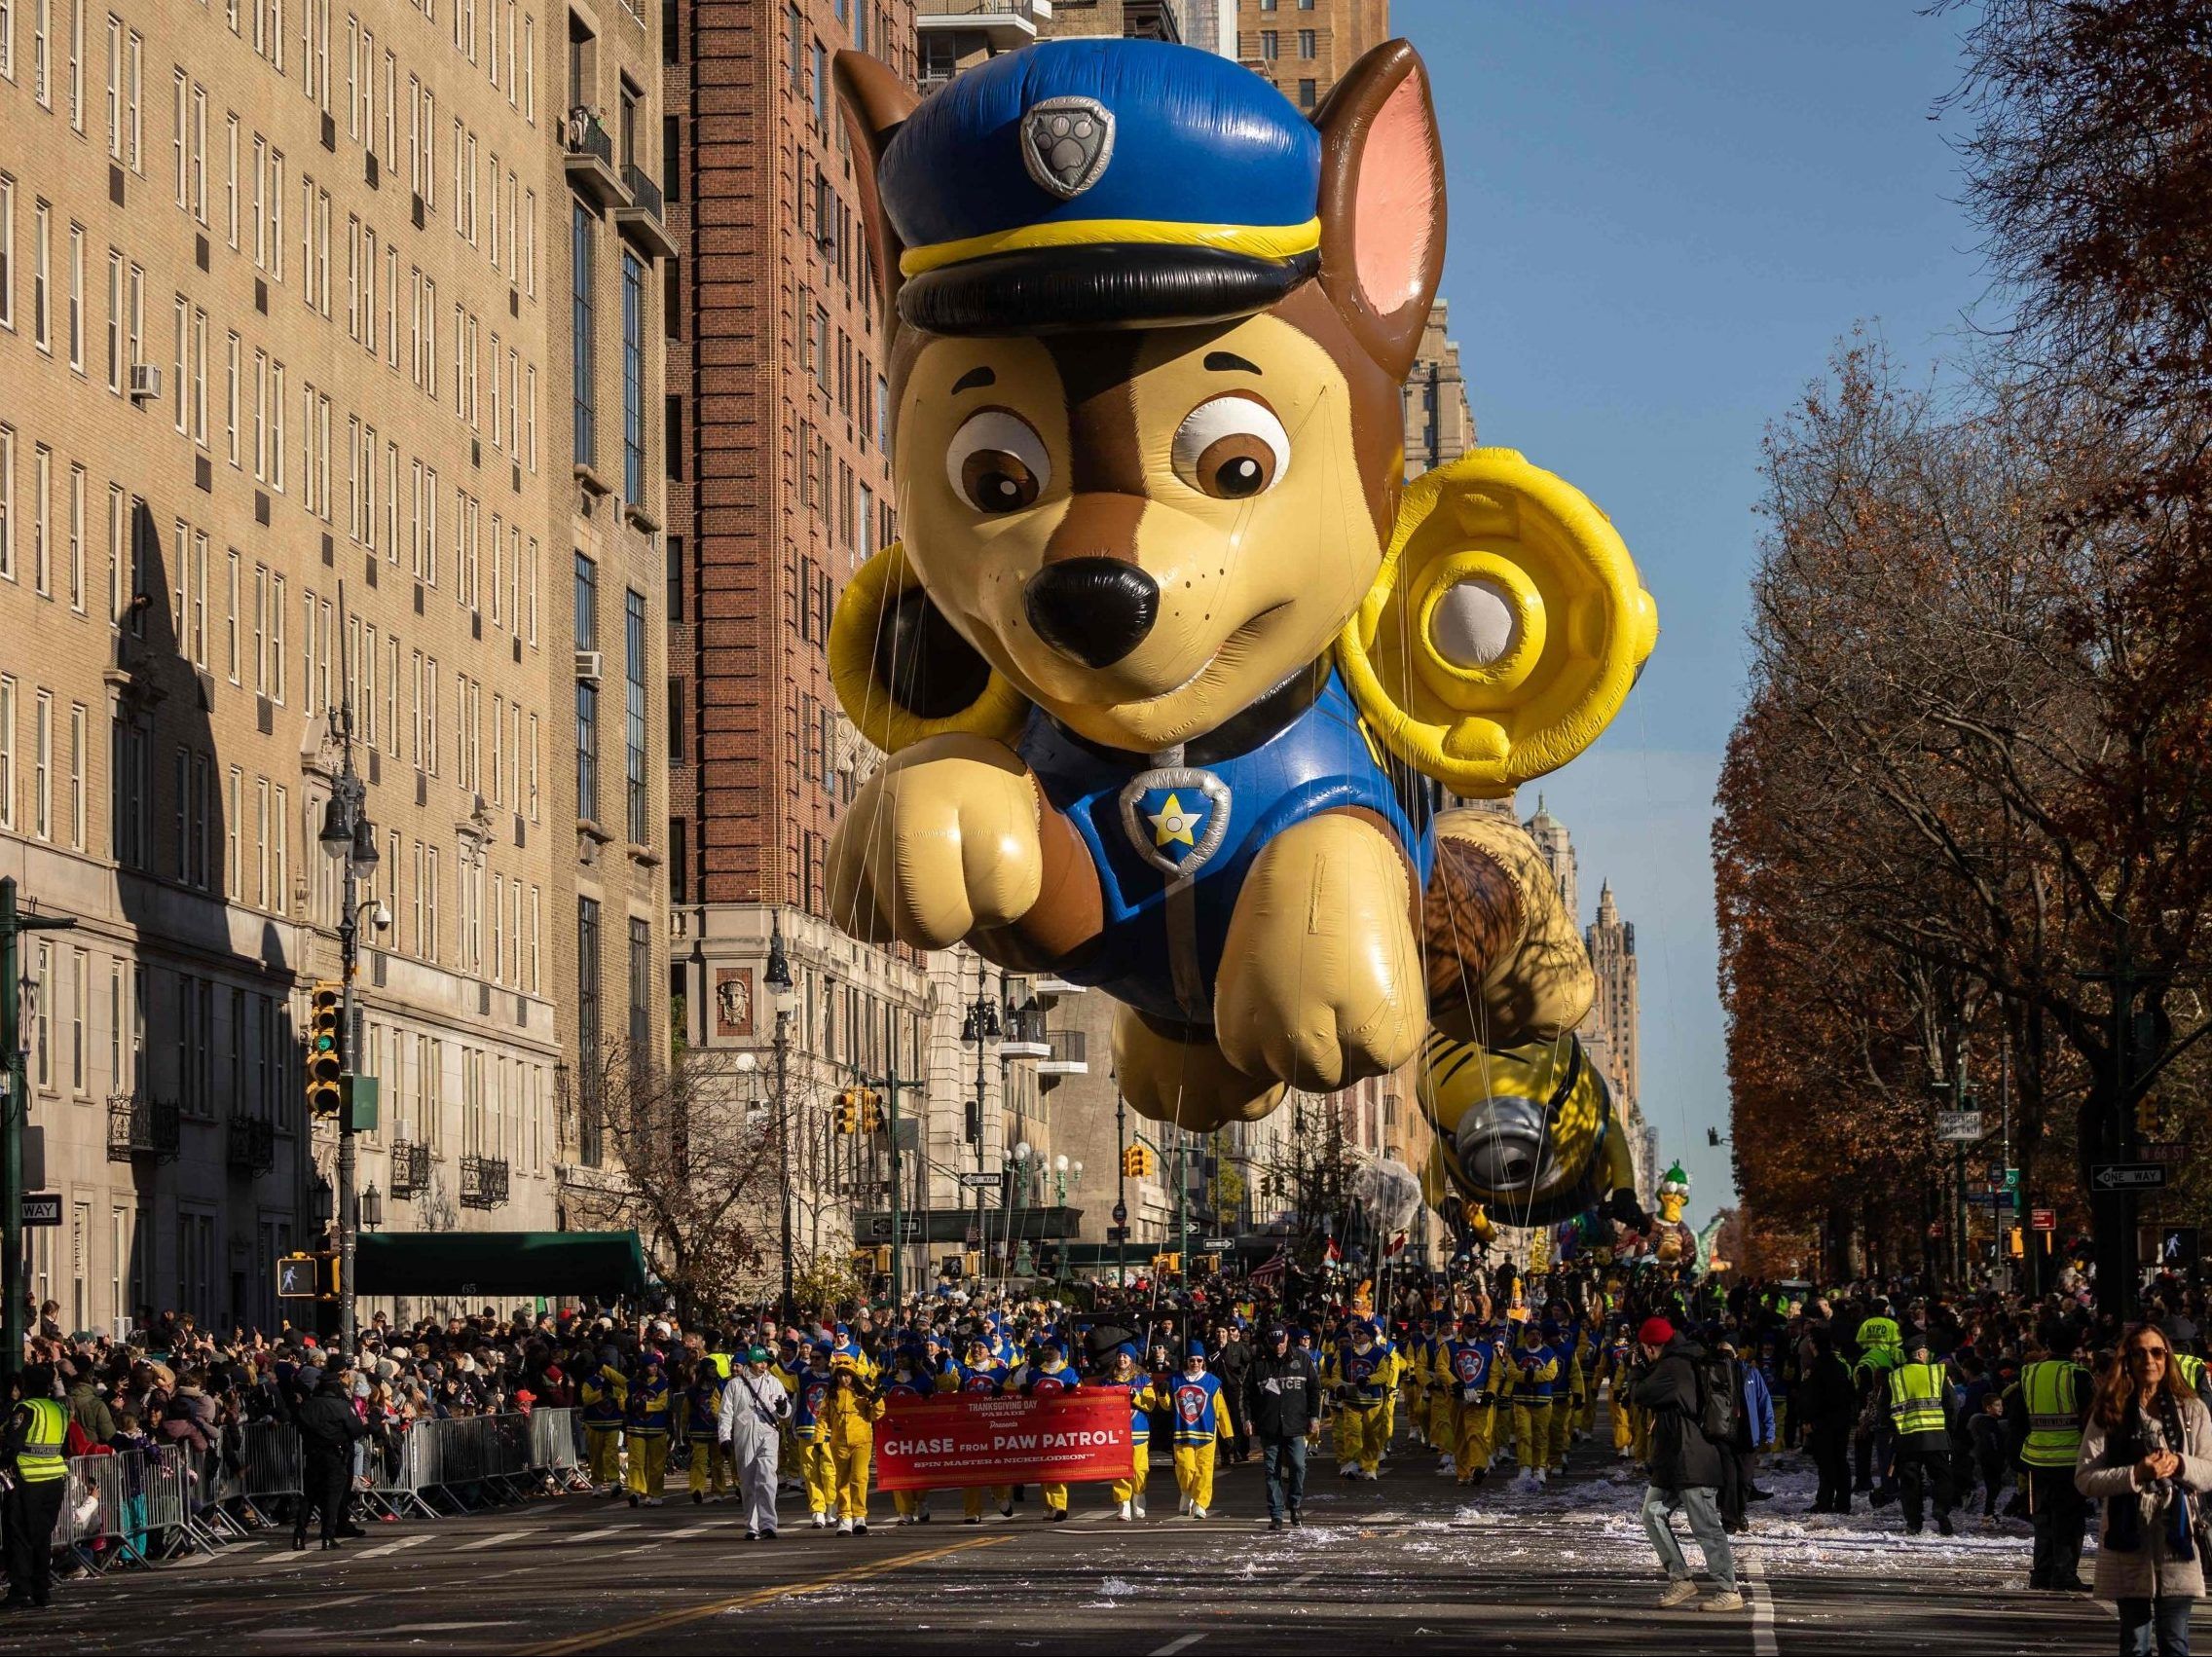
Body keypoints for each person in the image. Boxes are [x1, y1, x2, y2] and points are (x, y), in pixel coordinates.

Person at [2077, 1323, 2212, 1657]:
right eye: (2139, 1353)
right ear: (2127, 1360)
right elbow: (2086, 1479)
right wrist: (2136, 1473)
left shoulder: (2192, 1410)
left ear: (2168, 1357)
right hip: (2127, 1539)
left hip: (2176, 1538)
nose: (2149, 1360)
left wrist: (2179, 1464)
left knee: (2175, 1642)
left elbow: (2209, 1472)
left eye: (2157, 1352)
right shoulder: (2108, 1412)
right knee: (2134, 1643)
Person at [1629, 1316, 1744, 1615]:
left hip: (1693, 1458)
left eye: (1644, 1348)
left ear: (1651, 1346)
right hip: (1673, 1458)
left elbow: (1640, 1394)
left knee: (1705, 1526)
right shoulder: (1681, 1359)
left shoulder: (1674, 1367)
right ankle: (1681, 1579)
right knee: (1652, 1515)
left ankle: (1729, 1589)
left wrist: (1636, 1369)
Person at [2015, 1327, 2094, 1592]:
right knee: (2070, 1520)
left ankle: (2041, 1572)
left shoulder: (2029, 1373)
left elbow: (2017, 1418)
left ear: (2047, 1344)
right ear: (2075, 1347)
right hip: (2070, 1458)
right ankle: (2064, 1574)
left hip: (2036, 1457)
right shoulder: (2078, 1375)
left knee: (2043, 1517)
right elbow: (2091, 1418)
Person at [0, 1365, 69, 1607]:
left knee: (19, 1536)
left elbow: (12, 1443)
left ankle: (21, 1590)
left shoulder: (26, 1408)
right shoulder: (60, 1409)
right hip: (54, 1479)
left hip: (28, 1479)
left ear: (26, 1385)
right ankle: (42, 1588)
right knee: (42, 1536)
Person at [1245, 1323, 1321, 1528]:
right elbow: (1248, 1395)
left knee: (1298, 1465)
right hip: (1269, 1425)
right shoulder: (1258, 1363)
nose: (1278, 1347)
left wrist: (1314, 1417)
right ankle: (1276, 1514)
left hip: (1296, 1424)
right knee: (1272, 1470)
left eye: (1281, 1342)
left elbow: (1314, 1390)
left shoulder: (1302, 1359)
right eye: (1273, 1343)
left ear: (1287, 1339)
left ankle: (1294, 1504)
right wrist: (1248, 1419)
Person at [291, 1361, 368, 1552]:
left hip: (313, 1454)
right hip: (335, 1454)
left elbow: (299, 1424)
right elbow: (356, 1430)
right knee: (333, 1498)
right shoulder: (341, 1406)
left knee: (309, 1496)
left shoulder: (308, 1405)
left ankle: (299, 1535)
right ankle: (327, 1536)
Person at [720, 1345, 793, 1541]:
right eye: (760, 1361)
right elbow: (725, 1413)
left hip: (768, 1434)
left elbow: (785, 1412)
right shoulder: (735, 1385)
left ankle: (769, 1525)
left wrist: (784, 1408)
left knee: (767, 1479)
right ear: (751, 1362)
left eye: (767, 1362)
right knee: (748, 1481)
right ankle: (752, 1526)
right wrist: (724, 1437)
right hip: (744, 1435)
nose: (764, 1365)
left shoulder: (774, 1382)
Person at [1888, 1335, 1957, 1536]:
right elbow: (1952, 1405)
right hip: (1936, 1436)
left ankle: (1913, 1522)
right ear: (1920, 1353)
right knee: (1943, 1476)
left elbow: (1885, 1410)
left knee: (1910, 1481)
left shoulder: (1895, 1377)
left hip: (1907, 1438)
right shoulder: (1937, 1373)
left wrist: (1894, 1433)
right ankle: (1940, 1509)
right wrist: (1949, 1432)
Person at [1798, 1326, 1857, 1515]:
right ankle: (1843, 1502)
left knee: (1825, 1463)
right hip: (1841, 1420)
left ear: (1813, 1344)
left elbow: (1809, 1398)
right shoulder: (1840, 1365)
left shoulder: (1815, 1368)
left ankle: (1824, 1501)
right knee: (1840, 1461)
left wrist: (1808, 1422)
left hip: (1822, 1422)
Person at [1170, 1343, 1232, 1519]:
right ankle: (1186, 1492)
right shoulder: (1175, 1380)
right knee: (1186, 1467)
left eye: (1198, 1360)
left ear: (1203, 1361)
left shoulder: (1212, 1382)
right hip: (1182, 1432)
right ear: (1186, 1361)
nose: (1195, 1363)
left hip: (1206, 1433)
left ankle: (1200, 1503)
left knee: (1204, 1470)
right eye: (1191, 1360)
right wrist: (1162, 1393)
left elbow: (1220, 1409)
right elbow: (1167, 1405)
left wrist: (1227, 1433)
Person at [1105, 1345, 1160, 1522]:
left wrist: (1134, 1395)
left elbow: (1150, 1404)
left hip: (1138, 1430)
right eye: (1120, 1356)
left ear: (1132, 1359)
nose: (1122, 1359)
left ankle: (1139, 1495)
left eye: (1125, 1356)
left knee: (1139, 1469)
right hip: (1116, 1432)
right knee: (1119, 1469)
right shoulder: (1108, 1380)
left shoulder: (1143, 1380)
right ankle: (1123, 1503)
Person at [623, 1349, 672, 1508]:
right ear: (643, 1367)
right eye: (651, 1366)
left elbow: (662, 1404)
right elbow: (622, 1401)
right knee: (636, 1461)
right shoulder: (631, 1384)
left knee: (656, 1464)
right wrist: (627, 1404)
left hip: (657, 1428)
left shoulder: (662, 1384)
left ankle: (655, 1493)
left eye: (656, 1365)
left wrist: (645, 1405)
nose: (654, 1368)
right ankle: (635, 1491)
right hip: (636, 1428)